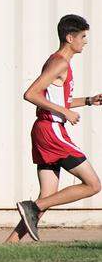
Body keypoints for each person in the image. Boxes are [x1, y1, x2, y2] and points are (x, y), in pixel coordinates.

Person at [10, 14, 102, 241]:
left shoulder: (58, 61)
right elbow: (30, 94)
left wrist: (89, 100)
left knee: (50, 194)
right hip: (51, 130)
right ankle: (33, 206)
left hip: (45, 129)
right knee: (93, 185)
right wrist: (65, 113)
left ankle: (10, 243)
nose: (85, 41)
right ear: (70, 37)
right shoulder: (60, 62)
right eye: (82, 36)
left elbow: (57, 100)